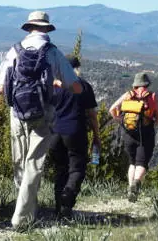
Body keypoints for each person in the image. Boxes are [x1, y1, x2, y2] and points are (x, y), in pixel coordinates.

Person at [0, 10, 82, 228]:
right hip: (44, 115)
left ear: (29, 27)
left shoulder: (14, 50)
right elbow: (75, 86)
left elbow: (0, 88)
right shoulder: (53, 53)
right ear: (46, 29)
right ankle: (22, 217)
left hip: (17, 114)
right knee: (34, 164)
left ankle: (25, 207)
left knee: (20, 163)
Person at [51, 55, 100, 219]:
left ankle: (60, 210)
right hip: (75, 131)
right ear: (77, 68)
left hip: (54, 133)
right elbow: (92, 115)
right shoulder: (83, 86)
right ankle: (68, 195)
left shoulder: (53, 86)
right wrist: (96, 136)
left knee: (60, 170)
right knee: (77, 169)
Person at [108, 72, 158, 202]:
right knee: (142, 163)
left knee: (132, 162)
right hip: (146, 134)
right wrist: (151, 124)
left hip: (128, 133)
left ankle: (130, 189)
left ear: (135, 85)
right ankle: (136, 183)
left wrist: (120, 121)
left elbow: (112, 109)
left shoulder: (128, 95)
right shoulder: (152, 97)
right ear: (147, 84)